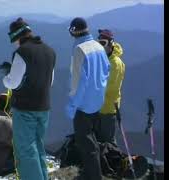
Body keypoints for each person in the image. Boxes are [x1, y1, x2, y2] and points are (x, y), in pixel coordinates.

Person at [0, 17, 56, 180]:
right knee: (38, 147)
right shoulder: (50, 51)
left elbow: (12, 83)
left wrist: (6, 75)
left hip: (25, 109)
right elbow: (49, 81)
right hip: (44, 108)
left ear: (17, 36)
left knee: (25, 150)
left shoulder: (22, 52)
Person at [66, 17, 110, 180]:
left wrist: (72, 105)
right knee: (93, 140)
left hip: (83, 105)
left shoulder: (79, 49)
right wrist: (100, 91)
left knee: (86, 144)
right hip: (97, 102)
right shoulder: (98, 46)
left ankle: (93, 176)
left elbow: (79, 81)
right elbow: (107, 69)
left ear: (73, 31)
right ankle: (94, 172)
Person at [96, 29, 125, 146]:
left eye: (103, 43)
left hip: (108, 108)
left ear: (111, 43)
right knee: (99, 140)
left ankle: (114, 162)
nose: (100, 46)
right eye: (99, 43)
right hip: (99, 106)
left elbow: (110, 86)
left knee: (108, 142)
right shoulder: (104, 59)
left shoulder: (115, 63)